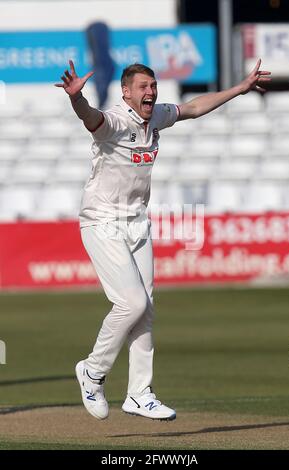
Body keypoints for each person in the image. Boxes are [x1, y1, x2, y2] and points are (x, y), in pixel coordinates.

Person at [55, 59, 271, 421]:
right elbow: (90, 118)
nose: (150, 92)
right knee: (132, 303)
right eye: (143, 87)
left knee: (146, 309)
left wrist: (239, 88)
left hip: (137, 222)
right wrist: (76, 99)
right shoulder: (117, 121)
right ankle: (92, 372)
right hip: (102, 220)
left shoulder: (154, 118)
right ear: (126, 92)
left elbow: (192, 108)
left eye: (153, 86)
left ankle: (139, 392)